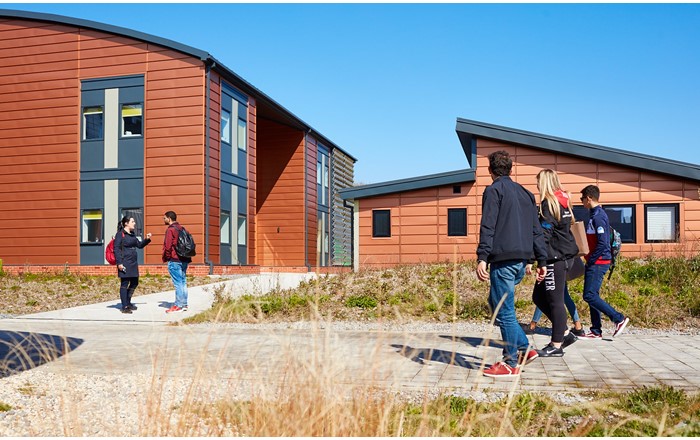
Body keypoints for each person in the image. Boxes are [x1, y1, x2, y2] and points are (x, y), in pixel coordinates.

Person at [476, 150, 549, 378]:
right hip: (520, 261)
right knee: (495, 303)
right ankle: (525, 349)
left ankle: (510, 362)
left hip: (504, 260)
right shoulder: (526, 193)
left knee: (504, 311)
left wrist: (482, 257)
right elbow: (536, 230)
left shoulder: (493, 191)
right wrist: (541, 260)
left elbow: (488, 226)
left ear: (490, 171)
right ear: (511, 169)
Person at [529, 169, 581, 357]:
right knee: (538, 296)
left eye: (538, 182)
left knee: (555, 301)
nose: (536, 186)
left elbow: (544, 235)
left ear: (544, 183)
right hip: (563, 256)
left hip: (555, 259)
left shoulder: (549, 204)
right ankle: (564, 333)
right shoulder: (563, 202)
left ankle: (556, 344)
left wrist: (539, 261)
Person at [579, 185, 630, 338]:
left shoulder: (598, 216)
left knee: (589, 295)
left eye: (582, 199)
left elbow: (603, 243)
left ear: (588, 198)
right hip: (595, 261)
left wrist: (591, 260)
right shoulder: (594, 214)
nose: (582, 202)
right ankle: (596, 330)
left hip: (599, 262)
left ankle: (618, 318)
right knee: (592, 294)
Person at [114, 216, 152, 314]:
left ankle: (128, 302)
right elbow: (116, 249)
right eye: (132, 221)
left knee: (135, 282)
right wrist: (119, 263)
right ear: (126, 223)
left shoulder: (132, 234)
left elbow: (139, 245)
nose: (134, 223)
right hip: (124, 262)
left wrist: (147, 240)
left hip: (133, 263)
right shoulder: (120, 234)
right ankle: (124, 306)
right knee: (124, 284)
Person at [162, 211, 192, 313]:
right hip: (184, 259)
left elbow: (168, 246)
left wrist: (168, 257)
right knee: (183, 282)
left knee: (178, 283)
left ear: (169, 218)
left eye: (164, 218)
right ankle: (184, 304)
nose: (164, 220)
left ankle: (178, 305)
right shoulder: (182, 228)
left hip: (175, 260)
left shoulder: (170, 230)